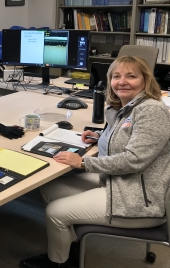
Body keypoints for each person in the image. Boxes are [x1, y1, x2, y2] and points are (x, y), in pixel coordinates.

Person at [20, 55, 170, 268]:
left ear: (146, 80)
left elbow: (134, 160)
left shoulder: (151, 110)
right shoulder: (127, 107)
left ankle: (57, 264)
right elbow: (128, 139)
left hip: (140, 199)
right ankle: (69, 249)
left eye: (131, 76)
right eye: (116, 76)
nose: (122, 81)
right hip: (119, 182)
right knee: (51, 189)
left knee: (55, 212)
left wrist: (83, 163)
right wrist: (100, 137)